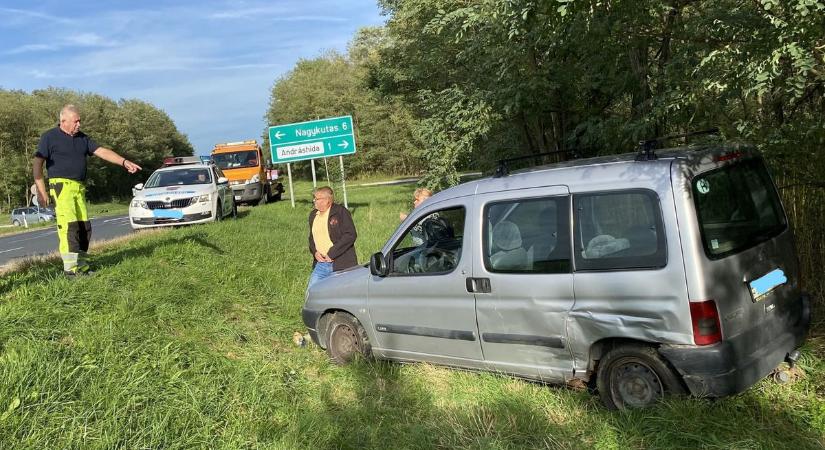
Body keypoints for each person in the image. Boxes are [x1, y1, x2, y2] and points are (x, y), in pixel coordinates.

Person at [33, 104, 142, 277]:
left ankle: (82, 267)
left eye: (80, 121)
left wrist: (123, 161)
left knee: (84, 227)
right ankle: (71, 270)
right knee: (69, 228)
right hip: (61, 187)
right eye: (76, 121)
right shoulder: (49, 137)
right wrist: (42, 191)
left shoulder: (83, 138)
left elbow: (102, 151)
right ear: (64, 121)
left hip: (79, 188)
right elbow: (37, 164)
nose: (79, 124)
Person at [307, 186, 358, 289]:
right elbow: (311, 238)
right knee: (312, 292)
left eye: (317, 199)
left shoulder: (340, 212)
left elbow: (350, 234)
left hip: (341, 263)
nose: (314, 201)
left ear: (327, 200)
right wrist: (315, 252)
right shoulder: (313, 215)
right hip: (321, 264)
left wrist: (332, 253)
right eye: (314, 198)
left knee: (341, 294)